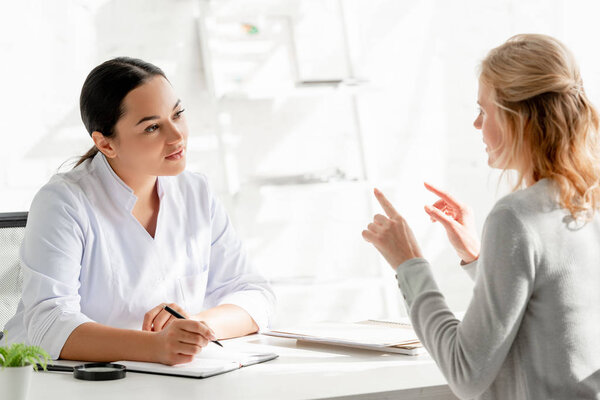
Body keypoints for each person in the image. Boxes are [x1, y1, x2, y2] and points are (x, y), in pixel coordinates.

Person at [362, 34, 600, 399]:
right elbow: (552, 314)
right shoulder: (587, 200)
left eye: (483, 111)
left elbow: (466, 373)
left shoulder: (516, 216)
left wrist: (408, 263)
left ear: (515, 118)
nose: (476, 125)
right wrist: (477, 258)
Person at [2, 57, 275, 366]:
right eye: (152, 127)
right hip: (56, 383)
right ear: (106, 145)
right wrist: (155, 346)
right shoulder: (63, 202)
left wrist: (197, 329)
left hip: (158, 378)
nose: (176, 136)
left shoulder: (196, 193)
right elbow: (49, 324)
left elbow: (255, 294)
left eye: (178, 114)